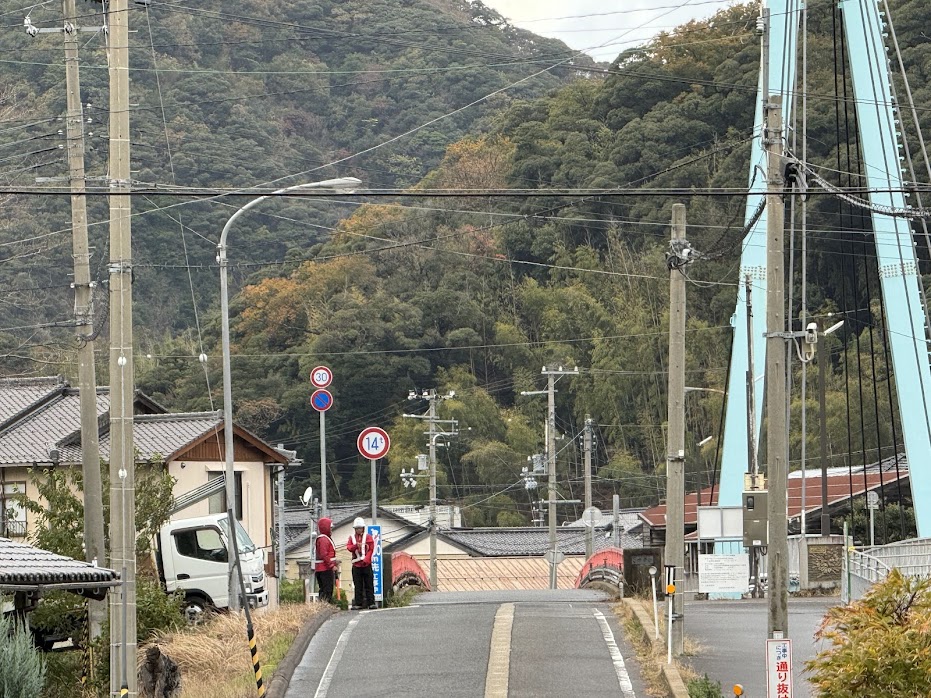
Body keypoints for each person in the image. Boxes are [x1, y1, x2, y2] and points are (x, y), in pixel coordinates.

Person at [346, 517, 376, 609]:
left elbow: (371, 549)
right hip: (356, 565)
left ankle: (371, 602)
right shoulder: (352, 538)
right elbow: (349, 547)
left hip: (366, 565)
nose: (359, 530)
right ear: (355, 529)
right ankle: (358, 603)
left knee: (369, 584)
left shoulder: (368, 537)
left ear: (363, 528)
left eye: (360, 528)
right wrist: (355, 546)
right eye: (357, 528)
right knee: (358, 585)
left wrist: (366, 560)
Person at [314, 517, 338, 604]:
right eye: (330, 528)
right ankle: (325, 605)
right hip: (325, 569)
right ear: (325, 527)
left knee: (324, 589)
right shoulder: (324, 539)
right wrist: (332, 566)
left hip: (322, 568)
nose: (331, 530)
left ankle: (324, 605)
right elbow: (324, 554)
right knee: (327, 589)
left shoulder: (323, 538)